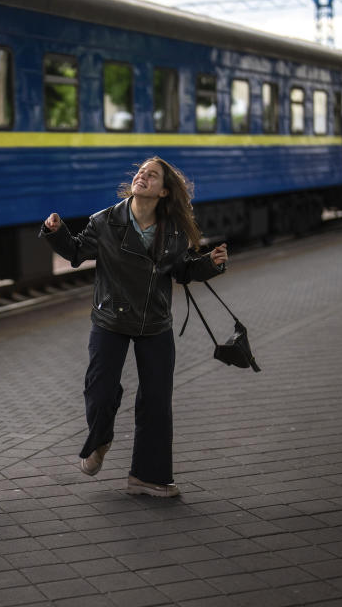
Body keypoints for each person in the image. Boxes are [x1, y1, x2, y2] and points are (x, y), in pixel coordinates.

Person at [41, 157, 228, 497]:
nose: (142, 176)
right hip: (110, 317)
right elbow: (77, 251)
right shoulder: (106, 221)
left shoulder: (173, 229)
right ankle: (101, 440)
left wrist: (209, 265)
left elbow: (182, 270)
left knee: (156, 401)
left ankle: (148, 476)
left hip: (154, 320)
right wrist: (57, 232)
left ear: (163, 190)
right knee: (100, 391)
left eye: (152, 175)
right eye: (141, 172)